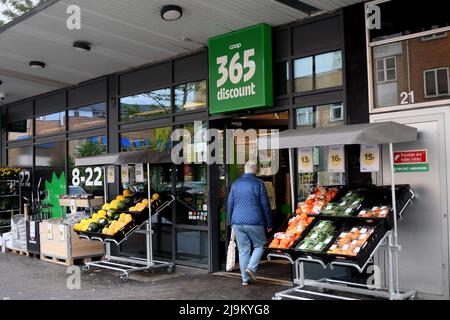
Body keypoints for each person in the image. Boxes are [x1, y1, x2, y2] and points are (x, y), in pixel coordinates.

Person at [227, 161, 273, 286]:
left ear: (245, 169)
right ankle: (251, 269)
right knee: (260, 245)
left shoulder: (235, 184)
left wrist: (230, 221)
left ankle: (245, 279)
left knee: (243, 250)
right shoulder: (259, 183)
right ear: (255, 170)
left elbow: (230, 203)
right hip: (255, 221)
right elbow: (265, 205)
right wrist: (269, 223)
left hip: (237, 221)